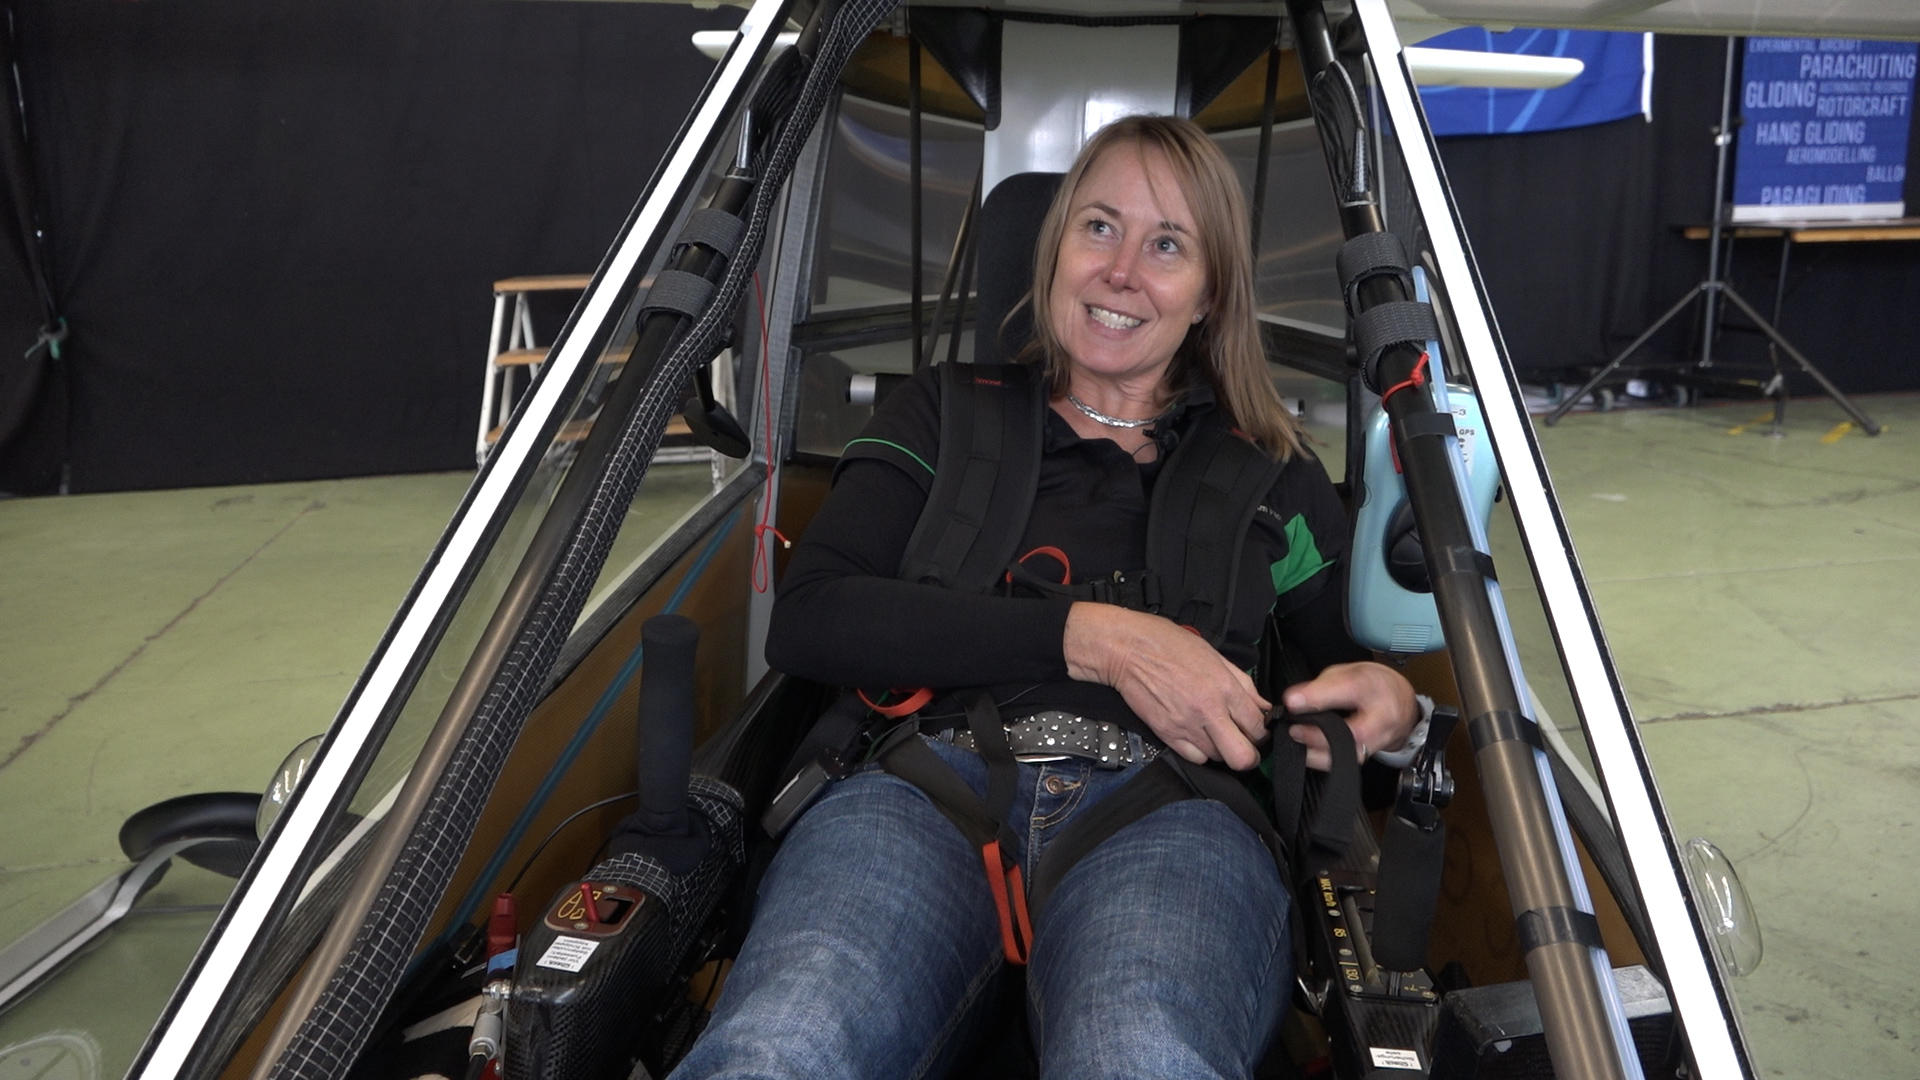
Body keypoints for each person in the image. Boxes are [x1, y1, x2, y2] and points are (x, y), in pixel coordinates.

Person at [669, 114, 1423, 1080]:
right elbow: (814, 617)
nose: (1121, 271)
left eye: (1167, 246)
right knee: (782, 1047)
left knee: (1143, 1058)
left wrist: (1391, 714)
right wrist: (1094, 638)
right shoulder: (945, 410)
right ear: (1055, 248)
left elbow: (1356, 689)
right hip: (918, 797)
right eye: (1098, 227)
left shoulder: (1270, 471)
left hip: (1173, 820)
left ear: (1208, 296)